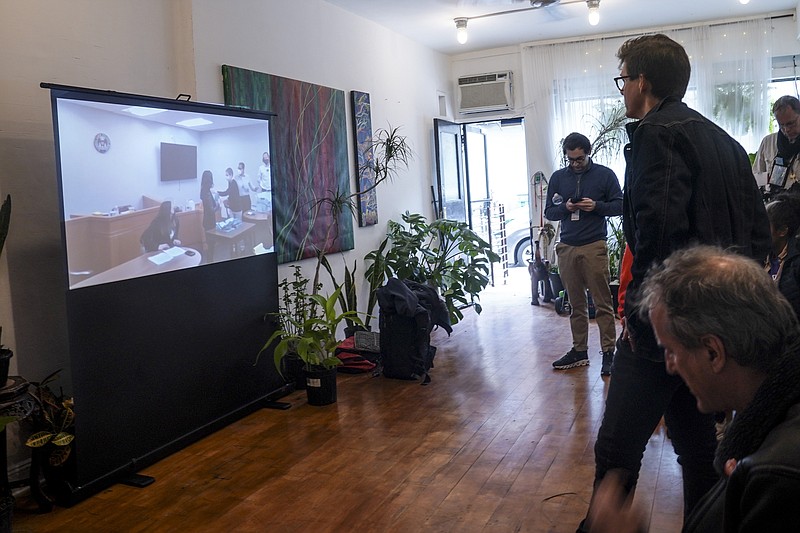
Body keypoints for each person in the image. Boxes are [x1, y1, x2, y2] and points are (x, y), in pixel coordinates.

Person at [579, 34, 772, 532]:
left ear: (642, 81)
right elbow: (759, 236)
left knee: (618, 449)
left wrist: (643, 325)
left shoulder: (654, 133)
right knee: (697, 446)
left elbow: (657, 235)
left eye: (623, 80)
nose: (622, 90)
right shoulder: (726, 141)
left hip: (666, 323)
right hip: (715, 327)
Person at [588, 245, 800, 532]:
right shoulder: (771, 427)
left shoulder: (777, 477)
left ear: (713, 352)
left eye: (672, 351)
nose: (670, 366)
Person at [544, 132, 622, 375]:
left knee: (602, 303)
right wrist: (566, 208)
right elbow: (549, 212)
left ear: (588, 154)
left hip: (593, 245)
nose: (576, 164)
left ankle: (609, 352)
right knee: (575, 303)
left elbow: (620, 205)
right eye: (571, 160)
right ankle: (579, 351)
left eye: (580, 159)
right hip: (567, 246)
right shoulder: (558, 178)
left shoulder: (605, 175)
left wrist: (596, 206)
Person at [752, 95, 800, 198]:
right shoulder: (768, 142)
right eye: (781, 125)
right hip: (774, 206)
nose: (786, 130)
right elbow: (757, 178)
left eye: (791, 123)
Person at [765, 192, 800, 318]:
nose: (760, 230)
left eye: (766, 226)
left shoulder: (795, 264)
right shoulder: (763, 257)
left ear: (782, 231)